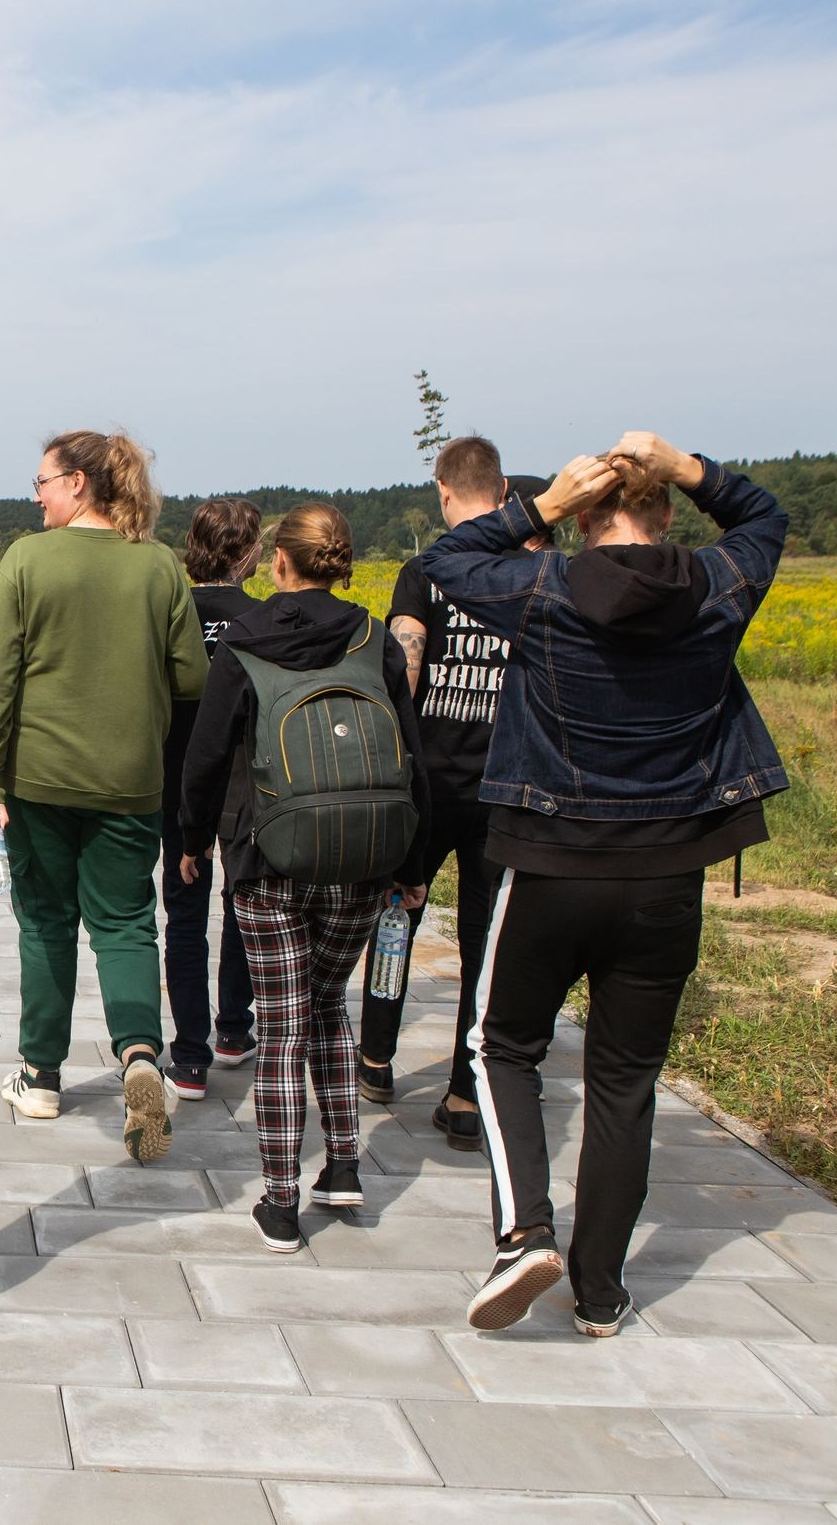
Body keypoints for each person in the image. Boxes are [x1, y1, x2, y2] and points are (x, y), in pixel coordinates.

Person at [420, 433, 787, 1337]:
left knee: (501, 1048)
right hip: (667, 876)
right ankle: (600, 1292)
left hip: (551, 863)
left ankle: (524, 1234)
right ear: (665, 511)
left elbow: (446, 560)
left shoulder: (543, 589)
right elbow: (764, 517)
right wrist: (688, 466)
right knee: (626, 1082)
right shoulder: (718, 587)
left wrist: (538, 506)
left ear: (586, 518)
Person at [179, 503, 432, 1254]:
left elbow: (206, 757)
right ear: (343, 565)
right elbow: (410, 754)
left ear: (279, 562)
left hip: (267, 855)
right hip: (363, 857)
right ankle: (344, 1164)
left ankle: (282, 1201)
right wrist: (412, 867)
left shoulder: (245, 642)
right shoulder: (374, 640)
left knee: (284, 1022)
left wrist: (194, 841)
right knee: (326, 1005)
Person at [0, 431, 204, 1163]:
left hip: (38, 780)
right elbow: (192, 676)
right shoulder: (160, 566)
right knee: (127, 923)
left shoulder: (28, 561)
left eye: (41, 482)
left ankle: (41, 1077)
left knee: (45, 922)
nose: (36, 496)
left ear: (76, 482)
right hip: (131, 780)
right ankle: (140, 1056)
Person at [354, 440, 546, 1151]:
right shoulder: (532, 572)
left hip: (428, 780)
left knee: (395, 916)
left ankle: (376, 1059)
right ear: (503, 489)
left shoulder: (427, 569)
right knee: (485, 943)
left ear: (443, 491)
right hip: (508, 785)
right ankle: (466, 1092)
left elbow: (404, 669)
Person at [160, 498, 263, 1099]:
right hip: (246, 787)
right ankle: (233, 1028)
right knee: (241, 904)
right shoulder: (261, 619)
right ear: (250, 553)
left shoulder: (172, 614)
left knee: (185, 915)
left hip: (176, 783)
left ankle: (190, 1057)